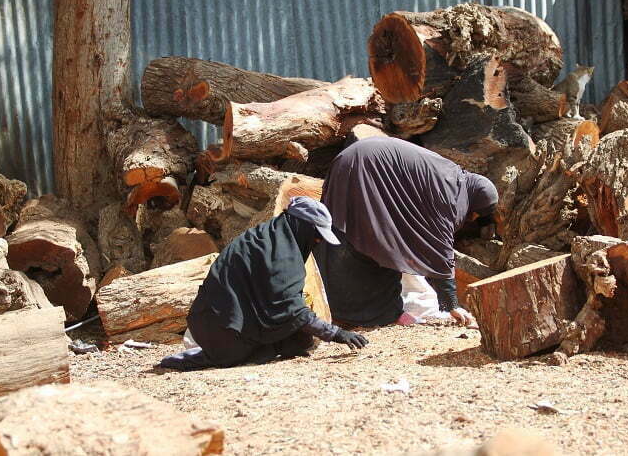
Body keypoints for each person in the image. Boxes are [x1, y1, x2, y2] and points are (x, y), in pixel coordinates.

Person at [160, 196, 368, 371]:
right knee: (272, 346)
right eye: (316, 236)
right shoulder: (281, 255)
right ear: (303, 227)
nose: (318, 242)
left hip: (213, 323)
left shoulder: (269, 237)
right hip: (222, 330)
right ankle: (207, 357)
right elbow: (290, 308)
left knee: (298, 340)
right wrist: (335, 333)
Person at [316, 137, 498, 328]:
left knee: (349, 237)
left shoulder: (452, 176)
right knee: (378, 245)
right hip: (368, 168)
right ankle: (369, 314)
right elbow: (440, 250)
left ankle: (333, 307)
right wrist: (450, 304)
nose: (470, 218)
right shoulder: (451, 198)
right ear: (476, 202)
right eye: (475, 214)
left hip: (350, 160)